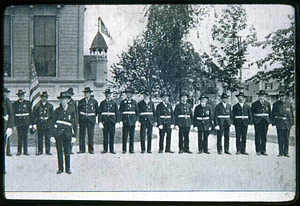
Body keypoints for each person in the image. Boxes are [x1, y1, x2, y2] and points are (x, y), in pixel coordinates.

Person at [51, 92, 77, 174]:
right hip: (59, 134)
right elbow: (52, 123)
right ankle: (60, 168)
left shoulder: (72, 110)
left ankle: (68, 168)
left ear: (68, 100)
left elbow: (75, 124)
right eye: (62, 99)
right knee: (59, 151)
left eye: (65, 99)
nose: (64, 101)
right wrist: (52, 135)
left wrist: (74, 136)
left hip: (68, 134)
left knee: (67, 151)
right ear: (60, 100)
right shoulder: (57, 111)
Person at [272, 90, 294, 157]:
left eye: (283, 96)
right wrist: (274, 123)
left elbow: (292, 114)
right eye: (281, 96)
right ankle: (281, 152)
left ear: (286, 96)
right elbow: (273, 114)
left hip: (287, 123)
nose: (282, 97)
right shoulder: (276, 104)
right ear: (279, 96)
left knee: (287, 138)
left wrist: (292, 123)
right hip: (280, 123)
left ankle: (286, 152)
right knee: (280, 138)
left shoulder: (289, 104)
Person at [98, 88, 120, 154]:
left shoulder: (114, 103)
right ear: (105, 95)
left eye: (109, 94)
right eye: (106, 94)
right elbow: (100, 113)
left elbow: (117, 113)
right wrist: (100, 121)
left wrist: (117, 121)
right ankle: (105, 149)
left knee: (112, 136)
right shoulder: (102, 103)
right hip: (105, 121)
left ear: (111, 95)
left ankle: (112, 149)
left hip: (112, 122)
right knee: (105, 136)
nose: (108, 95)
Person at [77, 87, 98, 154]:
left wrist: (92, 117)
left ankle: (91, 149)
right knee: (82, 135)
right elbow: (78, 111)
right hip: (82, 120)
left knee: (90, 135)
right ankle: (82, 149)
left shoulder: (94, 101)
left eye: (87, 93)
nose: (86, 94)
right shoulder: (81, 101)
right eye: (85, 93)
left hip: (90, 120)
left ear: (90, 93)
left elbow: (97, 111)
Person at [251, 90, 272, 156]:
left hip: (265, 121)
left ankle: (264, 150)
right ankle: (258, 150)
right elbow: (252, 113)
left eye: (263, 96)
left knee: (264, 136)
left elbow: (270, 113)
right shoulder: (254, 104)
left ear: (265, 96)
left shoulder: (267, 104)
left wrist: (270, 121)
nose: (262, 97)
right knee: (258, 135)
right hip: (258, 121)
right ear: (258, 96)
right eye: (260, 96)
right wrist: (253, 121)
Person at [119, 88, 139, 154]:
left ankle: (131, 149)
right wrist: (120, 121)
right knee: (124, 135)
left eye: (130, 93)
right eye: (127, 93)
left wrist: (136, 120)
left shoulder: (134, 102)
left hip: (132, 121)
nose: (128, 95)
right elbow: (120, 112)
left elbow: (137, 112)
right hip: (125, 121)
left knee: (132, 136)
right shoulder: (122, 102)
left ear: (132, 94)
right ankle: (124, 149)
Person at [13, 89, 32, 156]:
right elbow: (14, 114)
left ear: (24, 96)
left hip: (26, 122)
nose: (21, 97)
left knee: (25, 136)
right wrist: (14, 124)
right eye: (20, 95)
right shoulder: (15, 103)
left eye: (22, 95)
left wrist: (30, 123)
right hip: (19, 122)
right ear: (18, 96)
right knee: (20, 137)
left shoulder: (28, 103)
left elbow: (30, 113)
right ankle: (19, 151)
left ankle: (25, 151)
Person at [3, 87, 14, 174]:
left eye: (5, 92)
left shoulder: (7, 101)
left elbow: (11, 115)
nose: (4, 94)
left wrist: (10, 127)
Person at [66, 87, 78, 154]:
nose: (69, 95)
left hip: (72, 121)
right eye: (68, 93)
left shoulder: (74, 102)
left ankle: (70, 150)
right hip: (65, 121)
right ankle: (65, 149)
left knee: (72, 135)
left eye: (70, 94)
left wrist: (76, 122)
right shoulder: (64, 101)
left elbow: (76, 113)